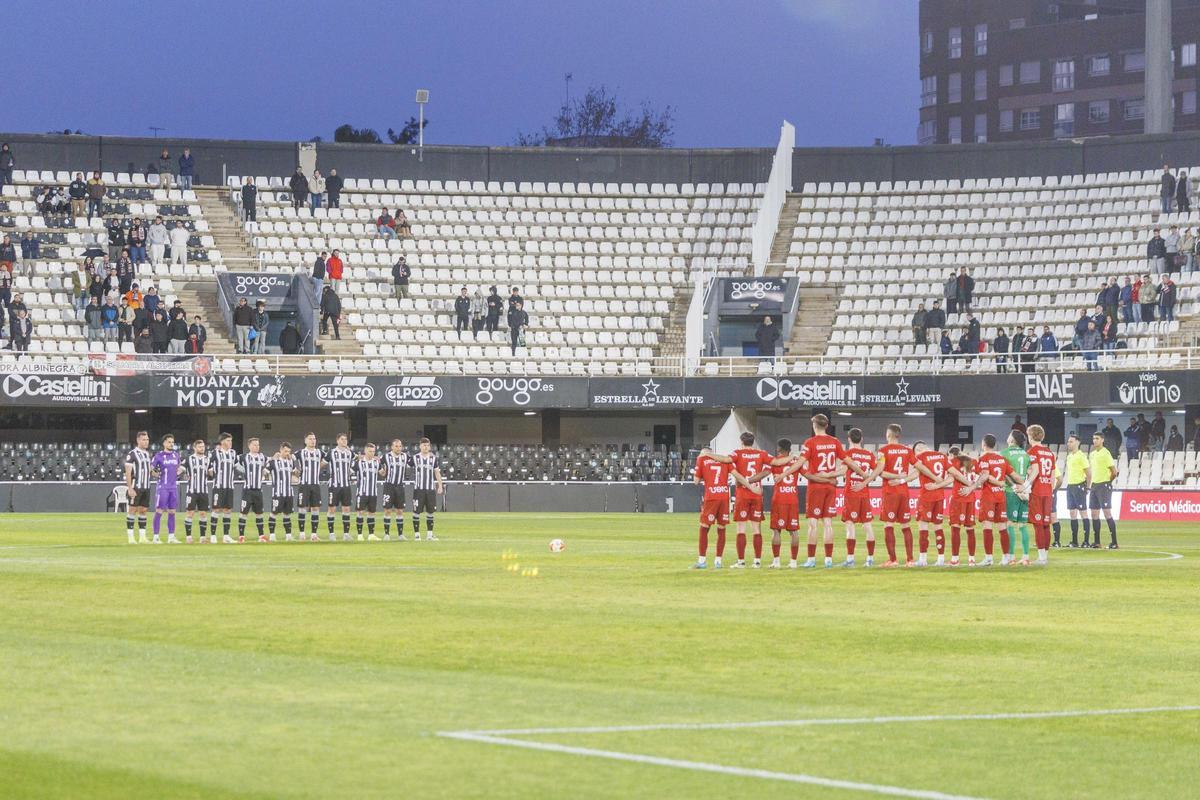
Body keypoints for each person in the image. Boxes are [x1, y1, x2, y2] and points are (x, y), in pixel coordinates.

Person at [867, 423, 916, 568]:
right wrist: (903, 478)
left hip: (890, 492)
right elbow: (919, 469)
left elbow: (881, 472)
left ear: (888, 435)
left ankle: (893, 560)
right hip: (904, 492)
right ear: (898, 435)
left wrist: (870, 479)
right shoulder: (907, 450)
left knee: (889, 525)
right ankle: (910, 560)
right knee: (906, 525)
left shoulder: (883, 451)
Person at [752, 438, 803, 568]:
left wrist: (749, 480)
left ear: (779, 448)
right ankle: (793, 562)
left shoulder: (775, 462)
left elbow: (764, 474)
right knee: (794, 532)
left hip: (779, 499)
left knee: (776, 531)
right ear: (790, 449)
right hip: (792, 499)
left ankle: (776, 561)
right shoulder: (796, 461)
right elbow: (808, 475)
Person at [726, 432, 770, 570]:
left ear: (741, 442)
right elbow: (770, 469)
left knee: (741, 529)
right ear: (753, 441)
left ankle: (741, 562)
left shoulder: (737, 453)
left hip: (743, 494)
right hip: (757, 493)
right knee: (756, 529)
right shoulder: (761, 454)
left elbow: (726, 460)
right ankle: (757, 561)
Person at [692, 446, 737, 569]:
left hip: (711, 496)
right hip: (724, 496)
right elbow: (734, 474)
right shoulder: (724, 460)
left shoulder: (701, 460)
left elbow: (695, 481)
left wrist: (703, 475)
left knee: (704, 527)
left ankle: (702, 561)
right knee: (721, 528)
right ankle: (718, 561)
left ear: (704, 453)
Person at [913, 441, 951, 567]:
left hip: (926, 496)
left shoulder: (920, 457)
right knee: (938, 527)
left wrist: (901, 480)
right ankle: (941, 559)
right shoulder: (942, 456)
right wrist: (938, 485)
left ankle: (922, 559)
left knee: (923, 527)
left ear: (918, 449)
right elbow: (952, 477)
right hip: (939, 496)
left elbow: (915, 474)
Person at [1024, 424, 1056, 565]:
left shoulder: (1032, 451)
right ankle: (1045, 556)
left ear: (1030, 436)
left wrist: (1026, 485)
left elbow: (1035, 470)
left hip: (1037, 491)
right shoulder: (1049, 452)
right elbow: (1053, 476)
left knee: (1038, 524)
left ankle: (1041, 557)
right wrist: (1051, 490)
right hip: (1048, 491)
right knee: (1046, 524)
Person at [945, 448, 978, 566]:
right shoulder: (973, 461)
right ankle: (972, 559)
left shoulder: (953, 461)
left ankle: (955, 559)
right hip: (970, 498)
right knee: (970, 529)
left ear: (951, 454)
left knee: (955, 527)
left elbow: (954, 476)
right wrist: (972, 486)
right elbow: (982, 475)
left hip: (958, 497)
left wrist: (937, 484)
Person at [1087, 432, 1119, 549]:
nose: (1094, 440)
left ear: (1102, 440)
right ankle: (1097, 542)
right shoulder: (1092, 454)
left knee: (1107, 513)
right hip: (1094, 485)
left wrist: (1107, 482)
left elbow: (1114, 472)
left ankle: (1114, 542)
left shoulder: (1106, 453)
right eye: (1093, 438)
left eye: (1097, 438)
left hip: (1104, 485)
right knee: (1094, 514)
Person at [150, 434, 182, 544]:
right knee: (159, 511)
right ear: (164, 443)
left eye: (172, 442)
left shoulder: (176, 455)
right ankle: (155, 536)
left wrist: (180, 472)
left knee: (172, 512)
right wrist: (155, 474)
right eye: (169, 442)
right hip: (163, 487)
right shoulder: (158, 456)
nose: (171, 444)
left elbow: (178, 468)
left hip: (173, 487)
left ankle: (171, 536)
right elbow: (151, 469)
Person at [410, 438, 444, 541]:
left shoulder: (433, 459)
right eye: (423, 445)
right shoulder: (414, 458)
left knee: (430, 512)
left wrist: (440, 485)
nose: (425, 447)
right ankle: (417, 535)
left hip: (430, 489)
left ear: (429, 447)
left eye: (427, 445)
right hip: (418, 489)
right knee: (416, 512)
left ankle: (429, 535)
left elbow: (437, 472)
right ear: (420, 446)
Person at [295, 433, 325, 542]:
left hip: (315, 484)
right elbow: (288, 458)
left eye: (314, 439)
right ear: (305, 441)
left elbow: (330, 458)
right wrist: (295, 472)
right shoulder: (300, 453)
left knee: (315, 508)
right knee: (302, 508)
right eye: (310, 439)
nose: (313, 441)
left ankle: (314, 534)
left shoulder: (320, 452)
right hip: (304, 484)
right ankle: (302, 534)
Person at [123, 430, 153, 544]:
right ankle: (131, 538)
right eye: (144, 440)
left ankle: (142, 537)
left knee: (143, 510)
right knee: (132, 510)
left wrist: (156, 473)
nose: (146, 442)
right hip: (136, 486)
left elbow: (148, 470)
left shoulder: (147, 454)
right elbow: (128, 472)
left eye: (147, 440)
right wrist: (130, 488)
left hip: (146, 486)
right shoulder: (132, 454)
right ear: (138, 440)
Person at [209, 433, 239, 543]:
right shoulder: (215, 453)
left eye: (231, 440)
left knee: (228, 510)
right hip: (218, 486)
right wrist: (211, 472)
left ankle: (226, 536)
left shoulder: (233, 453)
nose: (230, 443)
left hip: (229, 486)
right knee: (216, 509)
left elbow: (237, 466)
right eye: (228, 440)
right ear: (222, 442)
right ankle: (213, 535)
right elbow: (208, 466)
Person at [327, 434, 356, 542]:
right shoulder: (331, 452)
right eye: (342, 439)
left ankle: (346, 534)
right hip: (334, 485)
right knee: (332, 509)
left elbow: (358, 458)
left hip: (346, 485)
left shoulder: (350, 453)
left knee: (346, 509)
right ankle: (331, 533)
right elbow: (322, 464)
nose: (344, 441)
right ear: (337, 440)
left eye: (345, 439)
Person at [239, 438, 270, 542]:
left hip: (258, 490)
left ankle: (261, 536)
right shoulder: (244, 457)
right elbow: (234, 463)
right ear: (249, 446)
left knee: (259, 513)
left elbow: (271, 461)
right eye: (255, 445)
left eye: (258, 445)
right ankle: (241, 536)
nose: (257, 447)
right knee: (244, 513)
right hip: (247, 490)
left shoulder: (262, 457)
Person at [381, 439, 411, 541]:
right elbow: (377, 463)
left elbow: (414, 462)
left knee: (400, 511)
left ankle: (400, 534)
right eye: (396, 446)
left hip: (400, 486)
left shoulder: (405, 456)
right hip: (389, 486)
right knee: (387, 510)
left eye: (400, 446)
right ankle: (386, 534)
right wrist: (382, 472)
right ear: (392, 447)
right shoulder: (386, 456)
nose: (398, 448)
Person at [267, 443, 297, 542]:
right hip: (278, 492)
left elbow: (295, 474)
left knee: (287, 514)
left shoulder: (290, 462)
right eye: (285, 451)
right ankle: (272, 535)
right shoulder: (273, 462)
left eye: (289, 451)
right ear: (280, 450)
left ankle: (288, 536)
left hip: (288, 492)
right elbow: (265, 471)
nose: (287, 453)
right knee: (274, 513)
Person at [182, 439, 212, 543]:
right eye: (200, 447)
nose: (202, 448)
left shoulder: (207, 459)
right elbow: (181, 469)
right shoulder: (188, 459)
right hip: (192, 490)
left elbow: (211, 472)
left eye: (203, 447)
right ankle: (188, 537)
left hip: (203, 491)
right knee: (190, 513)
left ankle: (202, 537)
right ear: (195, 448)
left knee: (203, 514)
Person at [354, 443, 383, 542]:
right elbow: (350, 471)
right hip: (362, 492)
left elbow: (382, 473)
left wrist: (385, 466)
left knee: (371, 513)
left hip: (373, 493)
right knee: (360, 512)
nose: (372, 453)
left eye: (373, 451)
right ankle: (360, 535)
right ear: (365, 451)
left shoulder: (376, 463)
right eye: (370, 451)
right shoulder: (359, 463)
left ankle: (371, 534)